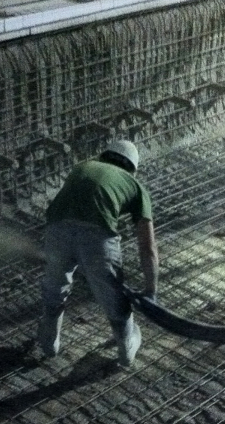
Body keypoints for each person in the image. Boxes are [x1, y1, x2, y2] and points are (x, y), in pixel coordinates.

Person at [37, 140, 159, 367]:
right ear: (132, 168)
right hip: (97, 235)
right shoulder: (135, 186)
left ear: (104, 156)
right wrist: (151, 290)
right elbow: (147, 247)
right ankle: (126, 350)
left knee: (55, 286)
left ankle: (49, 343)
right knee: (113, 296)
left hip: (55, 228)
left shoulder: (83, 167)